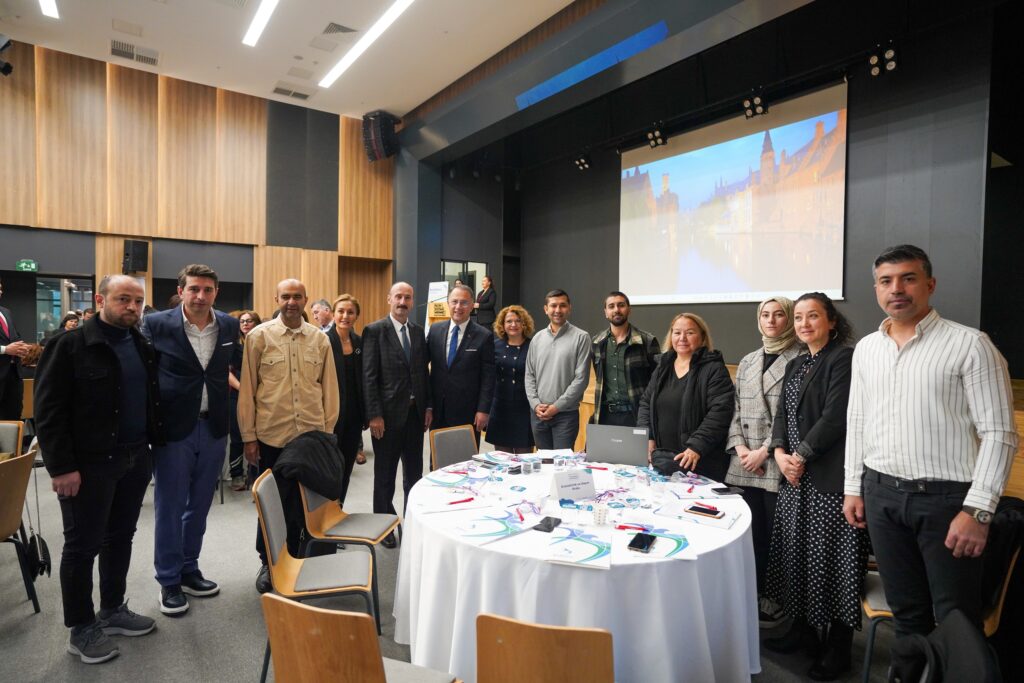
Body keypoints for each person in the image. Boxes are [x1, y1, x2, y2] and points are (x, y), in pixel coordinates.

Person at [844, 245, 1018, 639]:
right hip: (881, 495)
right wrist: (854, 487)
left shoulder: (971, 345)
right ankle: (911, 669)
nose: (896, 288)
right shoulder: (867, 349)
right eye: (886, 281)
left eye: (908, 278)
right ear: (876, 289)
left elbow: (1000, 434)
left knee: (956, 620)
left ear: (930, 284)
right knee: (906, 613)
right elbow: (857, 421)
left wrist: (978, 511)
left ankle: (952, 668)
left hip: (947, 502)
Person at [35, 275, 162, 664]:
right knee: (82, 545)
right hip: (88, 465)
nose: (132, 307)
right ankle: (81, 628)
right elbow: (48, 411)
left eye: (138, 301)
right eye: (123, 299)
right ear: (101, 299)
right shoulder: (69, 345)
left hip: (134, 457)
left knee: (120, 537)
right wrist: (61, 467)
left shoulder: (140, 344)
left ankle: (112, 609)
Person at [763, 292, 866, 681]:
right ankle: (802, 633)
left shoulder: (843, 359)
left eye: (814, 316)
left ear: (832, 321)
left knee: (834, 563)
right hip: (794, 478)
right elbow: (781, 416)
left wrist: (800, 456)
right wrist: (778, 453)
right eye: (800, 317)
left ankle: (838, 649)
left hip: (828, 480)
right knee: (797, 557)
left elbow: (836, 416)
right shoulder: (796, 363)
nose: (804, 324)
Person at [143, 264, 242, 616]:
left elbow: (227, 370)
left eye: (208, 290)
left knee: (199, 505)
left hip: (213, 427)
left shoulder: (228, 325)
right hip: (173, 430)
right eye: (194, 289)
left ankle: (189, 568)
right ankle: (169, 580)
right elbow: (145, 375)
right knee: (170, 507)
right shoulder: (156, 324)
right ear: (181, 290)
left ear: (216, 292)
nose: (200, 296)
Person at [238, 279, 339, 593]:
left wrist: (326, 434)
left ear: (306, 300)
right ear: (276, 299)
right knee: (271, 505)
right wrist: (249, 437)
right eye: (286, 296)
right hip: (272, 437)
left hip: (310, 437)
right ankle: (268, 563)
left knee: (304, 504)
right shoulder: (258, 337)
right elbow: (248, 390)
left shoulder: (319, 340)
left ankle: (299, 559)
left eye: (297, 296)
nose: (291, 302)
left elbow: (330, 390)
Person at [725, 297, 803, 628]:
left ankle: (775, 602)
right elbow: (735, 409)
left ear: (790, 318)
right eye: (765, 315)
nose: (771, 320)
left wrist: (764, 451)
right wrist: (741, 447)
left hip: (776, 462)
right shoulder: (748, 360)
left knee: (775, 538)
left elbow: (793, 415)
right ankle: (751, 596)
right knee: (748, 535)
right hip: (743, 463)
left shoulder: (802, 357)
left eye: (779, 314)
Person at [362, 281, 431, 547]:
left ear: (412, 301)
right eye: (398, 297)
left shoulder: (418, 332)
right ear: (389, 299)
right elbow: (369, 377)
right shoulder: (374, 331)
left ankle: (412, 524)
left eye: (408, 297)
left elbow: (422, 374)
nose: (403, 302)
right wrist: (374, 415)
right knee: (385, 476)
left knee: (414, 476)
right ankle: (383, 528)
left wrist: (427, 406)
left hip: (414, 417)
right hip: (386, 419)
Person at [636, 313, 734, 482]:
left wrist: (696, 446)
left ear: (702, 337)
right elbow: (646, 402)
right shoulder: (662, 367)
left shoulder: (714, 369)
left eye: (689, 333)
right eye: (677, 332)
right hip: (664, 460)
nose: (682, 338)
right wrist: (648, 436)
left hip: (700, 461)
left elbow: (720, 412)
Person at [524, 289, 592, 450]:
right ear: (545, 309)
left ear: (569, 308)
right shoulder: (537, 339)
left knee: (563, 463)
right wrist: (535, 404)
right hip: (538, 414)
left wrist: (556, 407)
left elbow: (581, 379)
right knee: (543, 462)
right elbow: (529, 375)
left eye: (562, 305)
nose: (558, 310)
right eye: (553, 306)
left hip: (565, 415)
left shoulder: (581, 337)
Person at [427, 284, 495, 438]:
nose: (458, 307)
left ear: (472, 306)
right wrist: (428, 406)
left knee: (466, 453)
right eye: (454, 301)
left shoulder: (484, 335)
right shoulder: (435, 330)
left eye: (464, 302)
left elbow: (488, 377)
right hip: (438, 410)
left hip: (468, 411)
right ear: (448, 303)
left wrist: (483, 410)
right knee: (438, 452)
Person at [591, 291, 659, 427]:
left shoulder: (647, 341)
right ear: (606, 312)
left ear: (629, 310)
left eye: (621, 305)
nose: (616, 310)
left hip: (636, 415)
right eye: (611, 306)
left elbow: (657, 383)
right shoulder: (597, 342)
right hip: (606, 416)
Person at [326, 294, 365, 505]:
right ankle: (325, 514)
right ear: (333, 314)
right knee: (329, 468)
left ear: (356, 316)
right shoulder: (324, 341)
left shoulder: (360, 342)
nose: (345, 316)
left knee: (346, 466)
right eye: (341, 311)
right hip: (331, 417)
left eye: (350, 312)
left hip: (354, 417)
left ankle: (338, 508)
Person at [487, 305, 536, 453]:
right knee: (502, 459)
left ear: (524, 324)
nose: (513, 324)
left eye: (518, 321)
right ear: (502, 325)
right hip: (500, 409)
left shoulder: (533, 346)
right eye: (509, 321)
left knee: (524, 458)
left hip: (524, 409)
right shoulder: (494, 346)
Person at [228, 310, 261, 490]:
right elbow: (226, 372)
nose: (246, 324)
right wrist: (244, 389)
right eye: (242, 321)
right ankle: (236, 475)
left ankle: (255, 475)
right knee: (237, 436)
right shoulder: (233, 345)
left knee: (259, 436)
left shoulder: (262, 342)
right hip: (237, 395)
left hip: (260, 396)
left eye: (249, 321)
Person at [0, 277, 28, 420]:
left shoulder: (6, 312)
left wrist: (22, 348)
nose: (0, 292)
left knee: (14, 415)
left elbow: (14, 337)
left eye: (0, 289)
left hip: (13, 373)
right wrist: (5, 350)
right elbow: (7, 346)